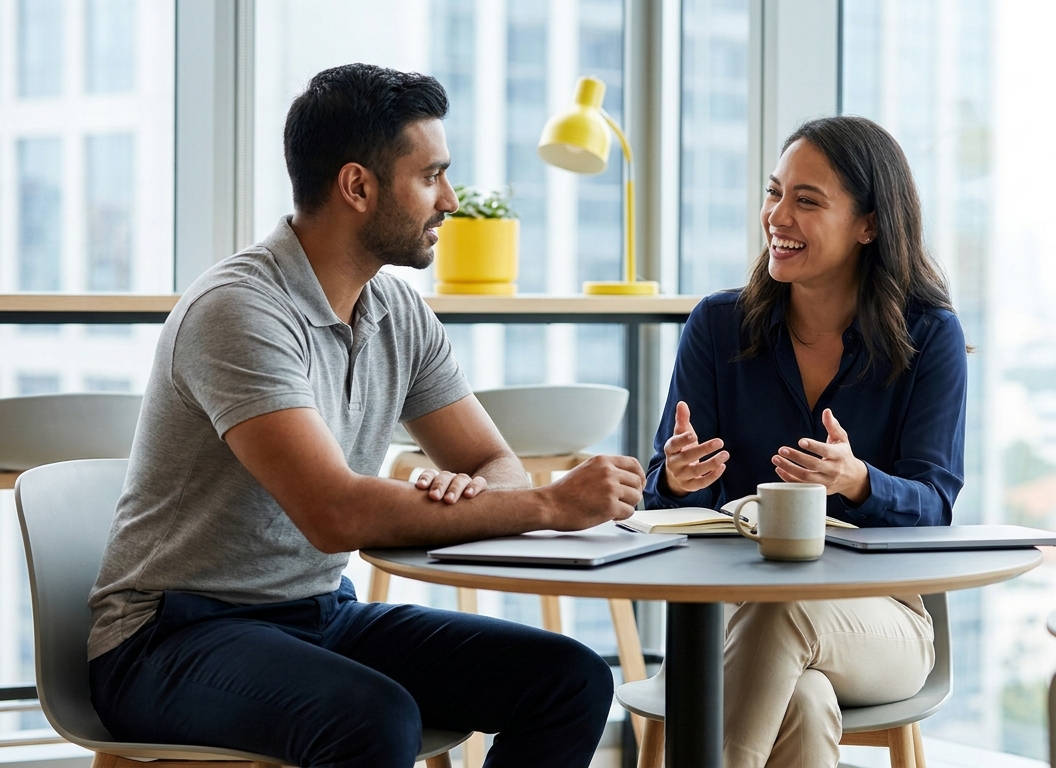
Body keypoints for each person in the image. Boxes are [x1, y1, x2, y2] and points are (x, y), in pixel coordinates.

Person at [86, 63, 645, 768]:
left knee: (569, 680)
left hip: (319, 613)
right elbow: (335, 514)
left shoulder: (397, 310)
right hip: (169, 637)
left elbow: (488, 462)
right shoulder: (241, 310)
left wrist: (472, 490)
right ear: (357, 186)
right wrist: (550, 506)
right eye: (430, 175)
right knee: (373, 719)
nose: (449, 199)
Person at [644, 115, 967, 767]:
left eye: (807, 200)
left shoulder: (929, 337)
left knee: (782, 611)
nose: (778, 216)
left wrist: (858, 481)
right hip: (727, 615)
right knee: (805, 702)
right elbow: (663, 501)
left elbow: (935, 506)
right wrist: (678, 479)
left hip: (883, 620)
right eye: (774, 193)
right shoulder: (717, 326)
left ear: (868, 224)